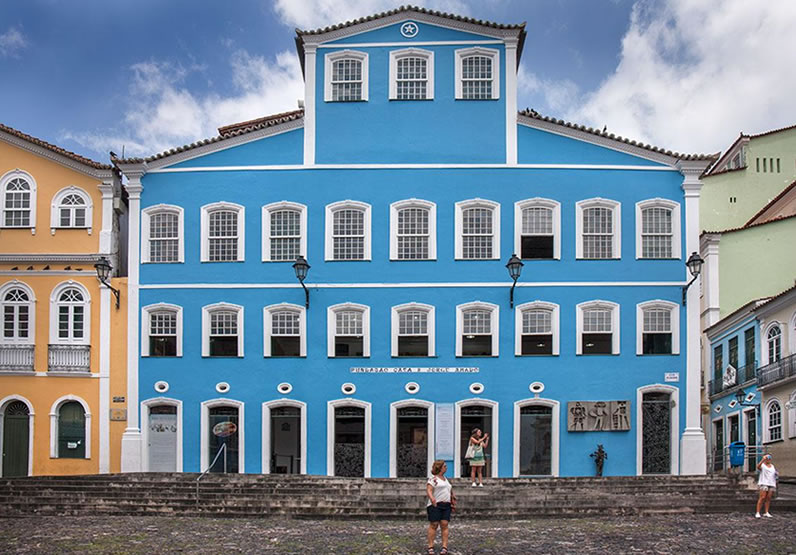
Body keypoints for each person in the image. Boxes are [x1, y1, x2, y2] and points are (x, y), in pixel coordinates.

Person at [426, 460, 455, 555]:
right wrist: (432, 498)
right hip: (436, 505)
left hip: (446, 505)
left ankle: (444, 547)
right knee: (434, 524)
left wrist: (452, 497)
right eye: (445, 466)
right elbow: (429, 490)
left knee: (444, 524)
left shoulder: (445, 479)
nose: (446, 468)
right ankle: (430, 546)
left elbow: (449, 489)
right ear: (440, 467)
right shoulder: (433, 479)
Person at [755, 453, 778, 518]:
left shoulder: (772, 466)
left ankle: (766, 512)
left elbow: (774, 473)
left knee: (768, 498)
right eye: (767, 458)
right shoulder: (762, 465)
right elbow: (758, 467)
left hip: (771, 483)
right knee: (762, 497)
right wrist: (762, 460)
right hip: (764, 482)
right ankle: (758, 512)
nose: (768, 459)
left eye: (769, 458)